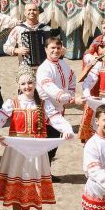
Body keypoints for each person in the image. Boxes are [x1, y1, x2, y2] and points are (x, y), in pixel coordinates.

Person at [0, 65, 74, 210]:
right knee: (16, 183)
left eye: (30, 83)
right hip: (16, 151)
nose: (27, 86)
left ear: (35, 83)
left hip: (35, 151)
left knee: (29, 183)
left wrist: (66, 129)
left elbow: (56, 118)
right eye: (23, 84)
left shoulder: (43, 103)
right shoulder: (12, 103)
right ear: (18, 85)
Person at [36, 36, 78, 166]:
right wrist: (69, 98)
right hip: (46, 110)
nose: (56, 50)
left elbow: (72, 78)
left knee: (54, 144)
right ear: (45, 49)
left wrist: (70, 94)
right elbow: (50, 89)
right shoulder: (44, 68)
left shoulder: (63, 64)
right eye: (52, 48)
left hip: (59, 109)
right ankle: (42, 172)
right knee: (46, 144)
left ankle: (46, 172)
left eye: (58, 48)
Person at [3, 2, 50, 67]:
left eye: (34, 10)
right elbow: (6, 47)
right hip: (25, 66)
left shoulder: (47, 29)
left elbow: (57, 45)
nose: (32, 12)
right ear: (25, 13)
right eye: (29, 10)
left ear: (38, 12)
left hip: (45, 66)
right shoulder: (18, 29)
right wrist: (17, 50)